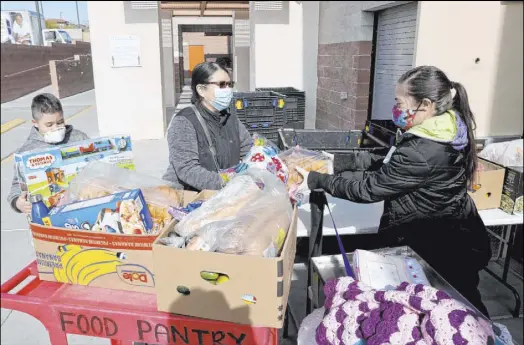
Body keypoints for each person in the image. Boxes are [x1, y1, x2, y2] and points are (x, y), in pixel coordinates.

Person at [296, 66, 492, 317]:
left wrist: (316, 180)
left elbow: (370, 188)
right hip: (453, 233)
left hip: (439, 245)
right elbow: (388, 160)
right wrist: (336, 163)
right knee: (456, 305)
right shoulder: (443, 128)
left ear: (425, 104)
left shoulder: (424, 148)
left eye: (400, 101)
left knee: (459, 314)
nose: (396, 107)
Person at [163, 62, 252, 191]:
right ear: (201, 90)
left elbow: (250, 151)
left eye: (229, 84)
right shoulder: (184, 122)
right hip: (192, 199)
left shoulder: (231, 119)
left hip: (226, 196)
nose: (227, 90)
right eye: (221, 84)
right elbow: (187, 169)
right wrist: (229, 182)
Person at [7, 93, 89, 214]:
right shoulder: (27, 151)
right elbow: (17, 186)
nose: (56, 128)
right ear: (35, 123)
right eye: (49, 125)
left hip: (83, 205)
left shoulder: (78, 137)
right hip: (50, 214)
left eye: (60, 122)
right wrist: (18, 203)